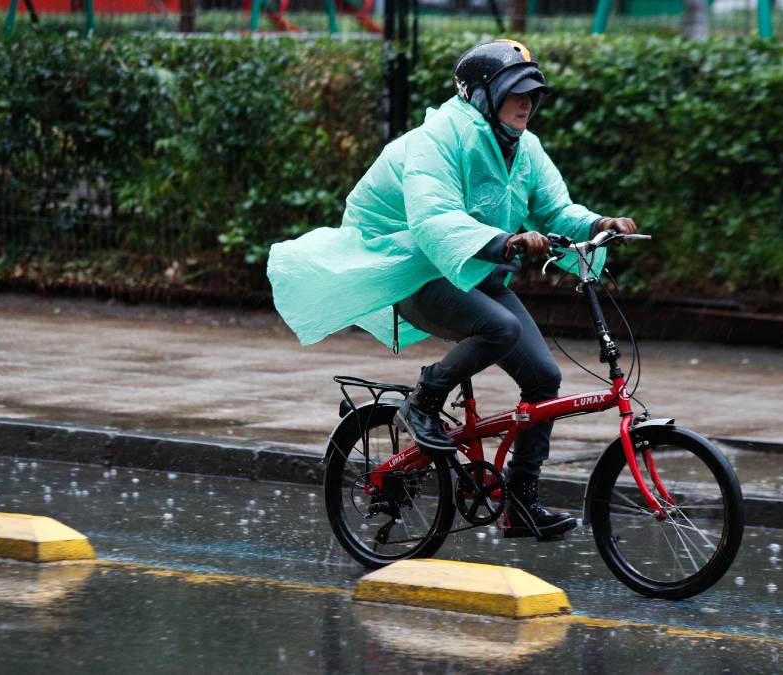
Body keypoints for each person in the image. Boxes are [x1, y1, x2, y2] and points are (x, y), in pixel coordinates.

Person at [267, 40, 637, 540]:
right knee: (500, 327)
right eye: (515, 92)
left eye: (533, 94)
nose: (527, 103)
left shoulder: (524, 147)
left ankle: (520, 504)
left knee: (544, 377)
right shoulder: (438, 138)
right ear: (483, 96)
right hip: (415, 273)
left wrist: (598, 223)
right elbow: (434, 216)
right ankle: (423, 401)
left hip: (476, 274)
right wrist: (503, 240)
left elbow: (555, 210)